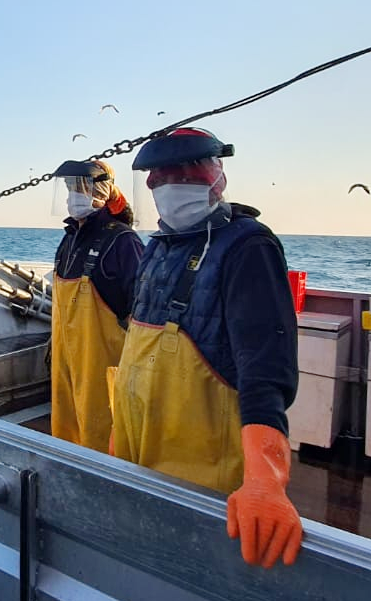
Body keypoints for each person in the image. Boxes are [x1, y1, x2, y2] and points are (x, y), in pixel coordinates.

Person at [111, 128, 302, 568]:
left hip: (204, 473)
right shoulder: (157, 248)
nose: (168, 183)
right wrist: (118, 438)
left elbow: (264, 371)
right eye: (159, 175)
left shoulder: (249, 246)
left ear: (217, 177)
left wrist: (265, 480)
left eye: (186, 171)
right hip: (140, 452)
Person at [49, 160, 144, 452]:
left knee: (103, 444)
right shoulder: (69, 240)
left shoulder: (123, 242)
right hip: (65, 368)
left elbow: (141, 316)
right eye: (68, 188)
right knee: (64, 439)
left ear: (101, 191)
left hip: (104, 376)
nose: (71, 195)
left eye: (79, 187)